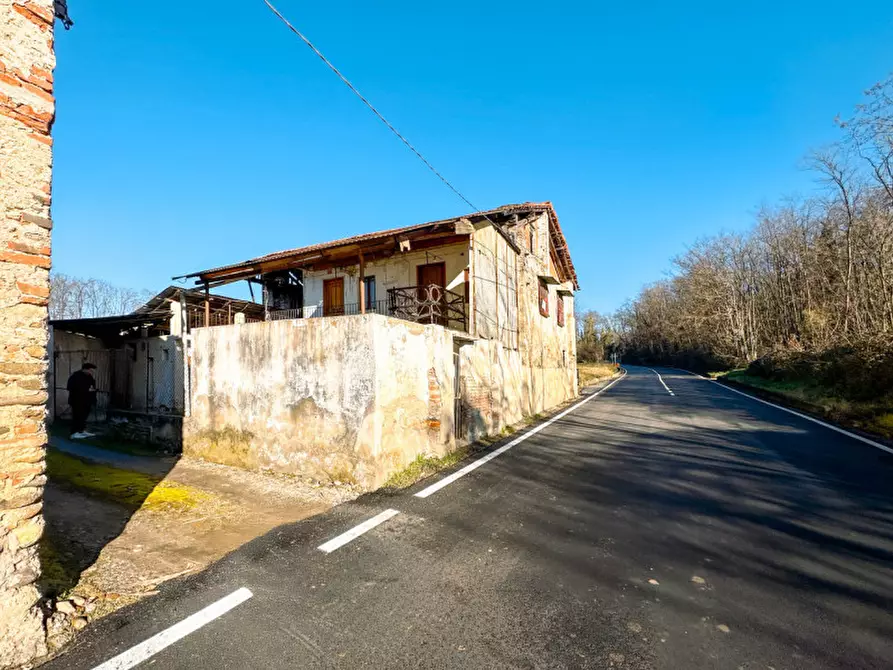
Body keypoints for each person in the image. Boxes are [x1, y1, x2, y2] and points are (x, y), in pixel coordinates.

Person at [67, 362, 97, 438]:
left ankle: (81, 430)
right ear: (85, 369)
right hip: (77, 400)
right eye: (91, 370)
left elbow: (91, 385)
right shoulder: (76, 376)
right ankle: (74, 433)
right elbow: (70, 387)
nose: (92, 372)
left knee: (84, 417)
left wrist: (92, 391)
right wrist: (86, 389)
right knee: (77, 416)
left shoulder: (89, 377)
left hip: (87, 400)